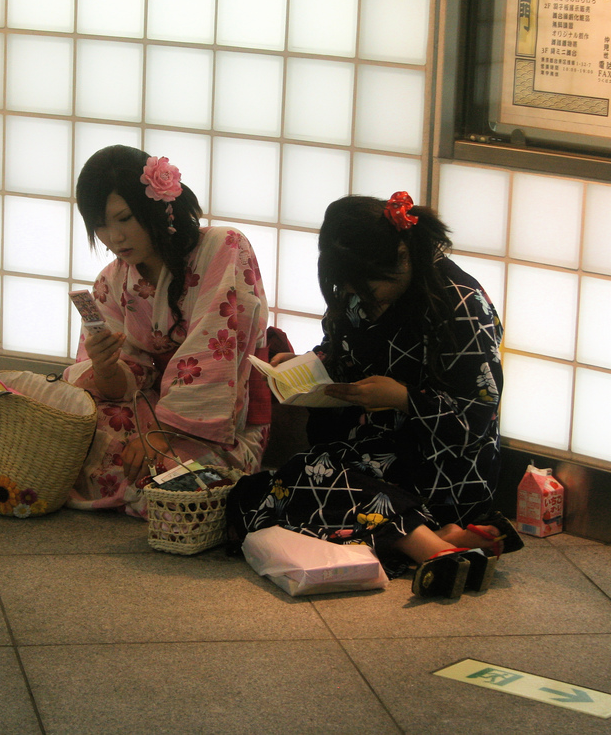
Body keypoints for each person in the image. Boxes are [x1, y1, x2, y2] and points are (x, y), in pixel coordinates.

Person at [227, 192, 519, 598]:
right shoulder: (355, 292)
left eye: (371, 284)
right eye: (348, 286)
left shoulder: (460, 303)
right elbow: (340, 352)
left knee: (313, 481)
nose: (363, 296)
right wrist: (300, 368)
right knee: (255, 495)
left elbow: (477, 417)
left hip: (444, 466)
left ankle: (431, 549)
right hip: (375, 451)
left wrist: (404, 398)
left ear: (400, 255)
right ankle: (439, 538)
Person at [63, 144, 286, 517]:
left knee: (168, 484)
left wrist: (161, 436)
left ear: (155, 204)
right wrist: (104, 369)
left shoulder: (224, 247)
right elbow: (126, 383)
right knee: (82, 434)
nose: (114, 237)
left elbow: (213, 355)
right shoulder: (110, 283)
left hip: (217, 417)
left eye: (125, 217)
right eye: (100, 225)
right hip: (152, 407)